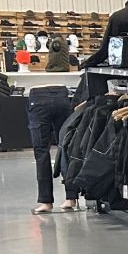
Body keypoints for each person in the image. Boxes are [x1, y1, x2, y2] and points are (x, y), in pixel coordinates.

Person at [27, 85, 78, 214]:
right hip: (61, 95)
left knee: (41, 151)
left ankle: (46, 201)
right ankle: (71, 197)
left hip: (38, 97)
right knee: (66, 145)